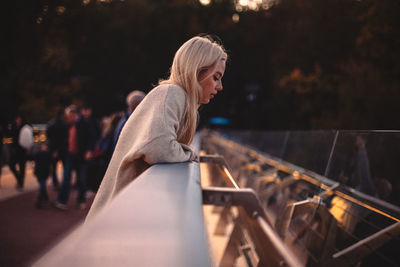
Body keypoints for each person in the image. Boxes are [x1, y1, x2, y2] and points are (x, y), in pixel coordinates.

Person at [86, 35, 227, 220]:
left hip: (121, 209)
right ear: (197, 71)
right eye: (216, 77)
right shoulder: (172, 93)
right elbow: (159, 147)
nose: (220, 86)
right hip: (117, 214)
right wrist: (190, 154)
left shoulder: (178, 98)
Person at [54, 105, 94, 210]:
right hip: (70, 155)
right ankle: (62, 201)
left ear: (74, 115)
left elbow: (90, 138)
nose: (68, 117)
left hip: (80, 155)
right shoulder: (68, 125)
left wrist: (89, 151)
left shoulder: (84, 123)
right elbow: (65, 140)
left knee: (81, 179)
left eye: (70, 115)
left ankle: (81, 200)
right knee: (66, 178)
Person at [46, 109, 68, 190]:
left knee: (54, 168)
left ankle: (55, 183)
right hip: (63, 149)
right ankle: (64, 183)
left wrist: (53, 150)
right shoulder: (65, 125)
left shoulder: (51, 124)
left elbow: (49, 138)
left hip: (53, 149)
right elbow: (66, 139)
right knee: (65, 168)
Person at [33, 142, 52, 208]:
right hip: (40, 172)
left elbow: (49, 165)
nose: (44, 147)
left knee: (42, 185)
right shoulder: (39, 153)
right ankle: (46, 198)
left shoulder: (47, 154)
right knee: (42, 185)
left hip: (43, 172)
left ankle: (39, 199)